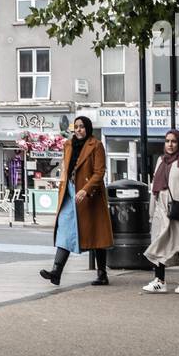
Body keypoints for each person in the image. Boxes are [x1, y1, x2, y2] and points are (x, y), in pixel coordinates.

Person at [40, 115, 112, 286]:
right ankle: (56, 272)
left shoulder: (96, 145)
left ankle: (102, 274)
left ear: (88, 128)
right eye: (76, 127)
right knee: (64, 227)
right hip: (69, 191)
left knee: (97, 235)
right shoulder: (68, 144)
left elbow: (99, 172)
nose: (78, 130)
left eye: (82, 127)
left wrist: (86, 190)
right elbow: (66, 169)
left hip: (90, 195)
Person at [143, 129, 179, 293]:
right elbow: (154, 186)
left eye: (173, 141)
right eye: (167, 141)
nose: (170, 144)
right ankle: (160, 281)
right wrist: (152, 210)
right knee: (160, 243)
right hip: (161, 207)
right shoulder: (161, 160)